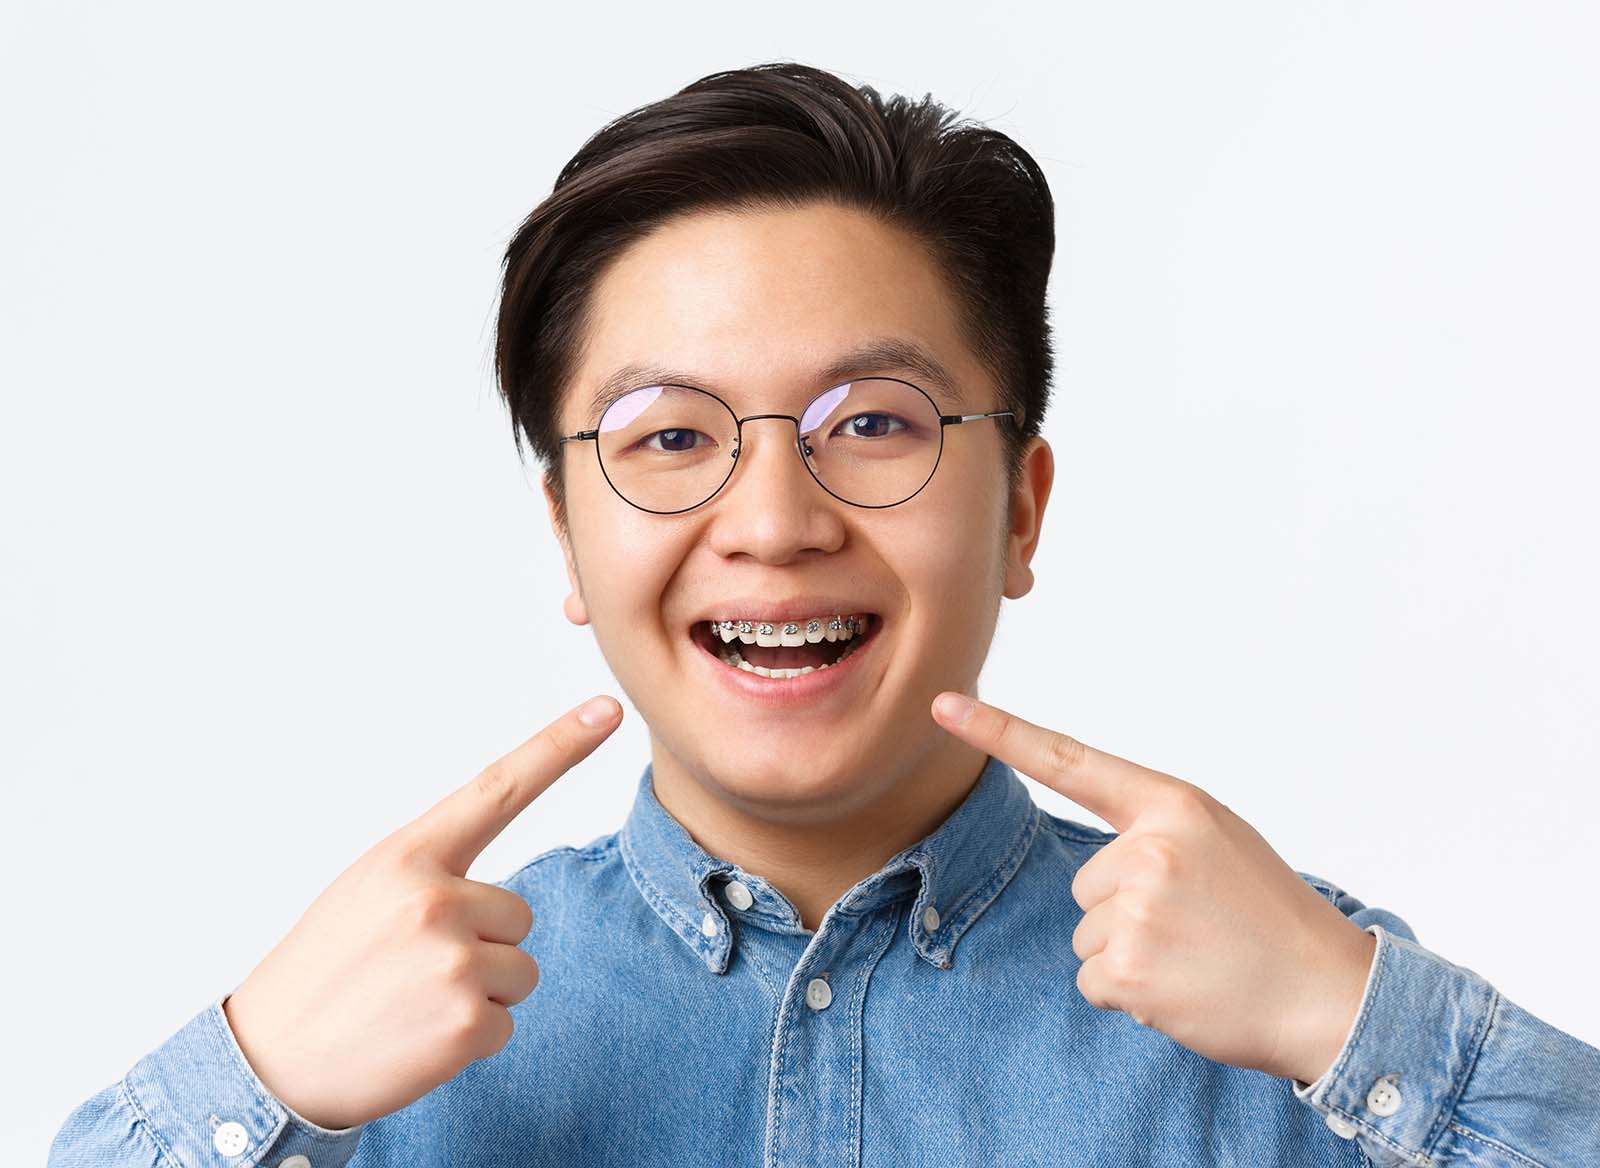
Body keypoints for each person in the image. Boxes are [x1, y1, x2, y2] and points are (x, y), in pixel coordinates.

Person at [48, 61, 1599, 1168]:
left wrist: (1353, 1019)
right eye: (670, 435)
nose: (777, 523)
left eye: (872, 425)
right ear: (567, 533)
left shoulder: (1289, 1004)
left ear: (1022, 510)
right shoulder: (376, 1046)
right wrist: (251, 1084)